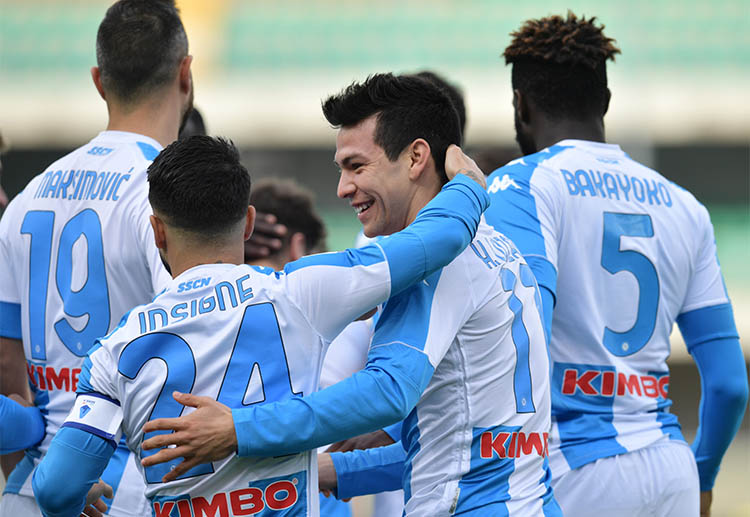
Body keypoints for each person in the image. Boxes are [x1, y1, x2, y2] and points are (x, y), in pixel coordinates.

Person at [136, 73, 558, 516]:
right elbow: (460, 448)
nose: (343, 188)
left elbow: (387, 392)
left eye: (356, 166)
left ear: (415, 158)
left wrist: (238, 429)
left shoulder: (434, 263)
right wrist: (326, 470)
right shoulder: (498, 246)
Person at [30, 134, 489, 516]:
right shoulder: (300, 292)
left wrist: (75, 496)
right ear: (248, 222)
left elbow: (54, 489)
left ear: (158, 232)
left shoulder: (113, 351)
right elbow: (439, 237)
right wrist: (468, 184)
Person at [484, 12, 748, 517]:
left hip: (569, 467)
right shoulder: (685, 206)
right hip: (670, 468)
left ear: (521, 105)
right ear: (605, 101)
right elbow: (729, 384)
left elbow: (517, 338)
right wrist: (704, 476)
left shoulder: (520, 185)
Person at [0, 1, 193, 515]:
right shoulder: (168, 197)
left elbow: (5, 362)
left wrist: (40, 473)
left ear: (98, 81)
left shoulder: (27, 197)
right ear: (185, 73)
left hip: (33, 482)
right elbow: (195, 347)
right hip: (128, 486)